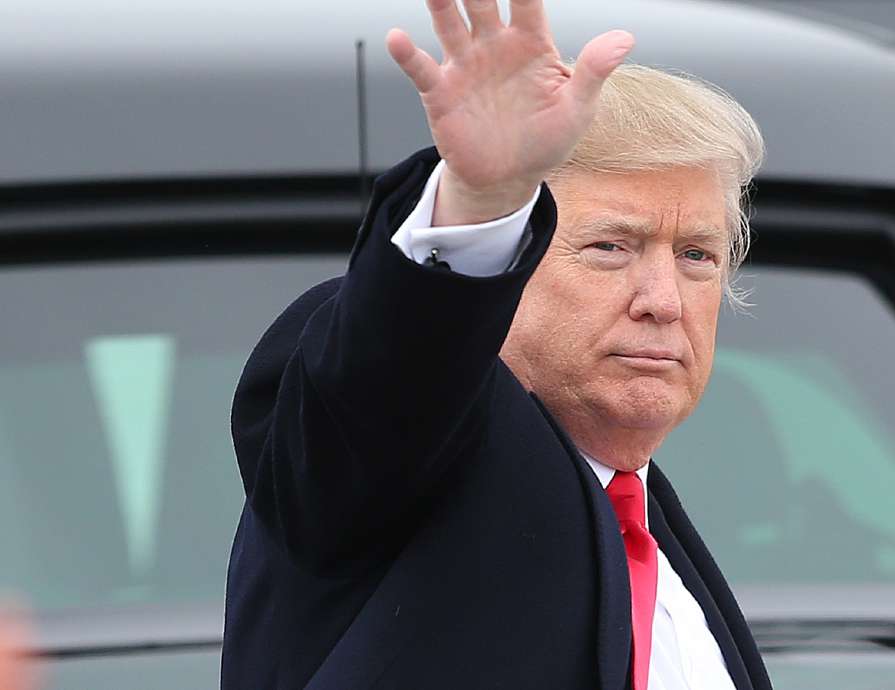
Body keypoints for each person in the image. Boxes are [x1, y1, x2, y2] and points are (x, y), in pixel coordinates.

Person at [222, 0, 768, 688]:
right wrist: (481, 203)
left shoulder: (663, 548)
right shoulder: (416, 454)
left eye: (697, 255)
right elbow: (390, 376)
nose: (663, 299)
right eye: (609, 247)